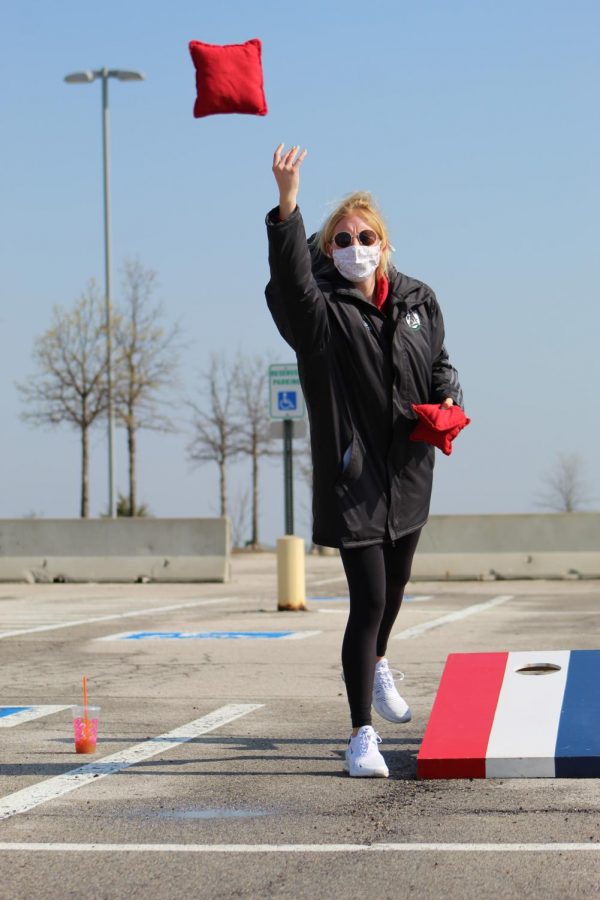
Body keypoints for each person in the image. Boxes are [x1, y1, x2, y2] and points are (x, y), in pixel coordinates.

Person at [265, 144, 463, 778]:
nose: (356, 245)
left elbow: (437, 362)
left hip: (408, 470)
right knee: (370, 600)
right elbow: (293, 291)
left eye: (366, 235)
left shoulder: (418, 300)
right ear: (329, 250)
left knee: (398, 586)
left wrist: (448, 397)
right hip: (354, 478)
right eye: (343, 239)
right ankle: (360, 736)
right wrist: (288, 206)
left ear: (385, 242)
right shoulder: (321, 312)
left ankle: (377, 663)